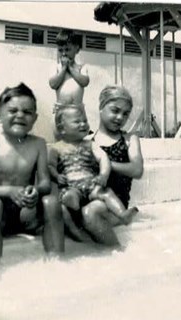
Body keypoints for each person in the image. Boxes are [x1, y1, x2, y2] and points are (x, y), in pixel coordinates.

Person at [0, 82, 64, 258]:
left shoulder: (38, 144)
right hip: (0, 217)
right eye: (13, 111)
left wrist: (35, 190)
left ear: (35, 118)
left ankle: (57, 261)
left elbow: (45, 182)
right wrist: (10, 191)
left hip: (27, 215)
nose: (20, 115)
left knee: (51, 202)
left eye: (27, 112)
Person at [62, 85, 144, 247]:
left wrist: (105, 163)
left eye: (125, 114)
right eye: (115, 110)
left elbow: (137, 169)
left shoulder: (129, 139)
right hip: (89, 196)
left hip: (115, 203)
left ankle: (116, 254)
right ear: (101, 107)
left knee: (90, 212)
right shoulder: (87, 140)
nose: (120, 117)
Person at [48, 105, 138, 235]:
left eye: (85, 121)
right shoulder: (56, 148)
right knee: (70, 196)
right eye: (77, 122)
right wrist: (56, 176)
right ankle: (74, 209)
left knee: (106, 193)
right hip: (70, 185)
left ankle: (122, 214)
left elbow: (103, 158)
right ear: (62, 128)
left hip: (90, 184)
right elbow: (50, 165)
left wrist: (103, 175)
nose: (83, 124)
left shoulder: (90, 144)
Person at [49, 29, 89, 113]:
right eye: (60, 50)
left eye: (67, 50)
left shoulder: (81, 67)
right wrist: (64, 69)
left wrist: (70, 68)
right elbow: (53, 84)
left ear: (77, 49)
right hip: (60, 109)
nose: (64, 53)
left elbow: (85, 82)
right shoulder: (57, 68)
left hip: (77, 109)